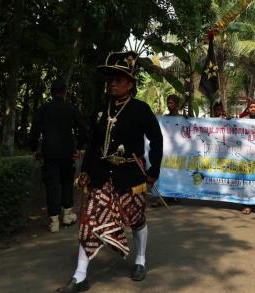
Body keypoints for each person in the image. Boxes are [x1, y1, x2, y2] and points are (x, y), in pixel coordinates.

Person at [57, 51, 163, 292]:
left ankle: (140, 260)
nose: (112, 83)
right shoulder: (100, 110)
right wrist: (85, 171)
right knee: (89, 222)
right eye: (110, 79)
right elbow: (93, 144)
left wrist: (153, 170)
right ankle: (80, 275)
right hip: (101, 175)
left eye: (118, 79)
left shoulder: (140, 109)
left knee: (136, 220)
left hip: (131, 177)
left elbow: (156, 140)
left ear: (130, 83)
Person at [29, 80, 87, 233]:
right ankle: (67, 215)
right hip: (68, 153)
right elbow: (83, 128)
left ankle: (54, 221)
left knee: (52, 185)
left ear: (51, 92)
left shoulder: (44, 109)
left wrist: (34, 148)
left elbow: (34, 130)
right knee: (67, 182)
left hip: (49, 154)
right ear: (64, 92)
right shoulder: (71, 108)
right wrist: (79, 147)